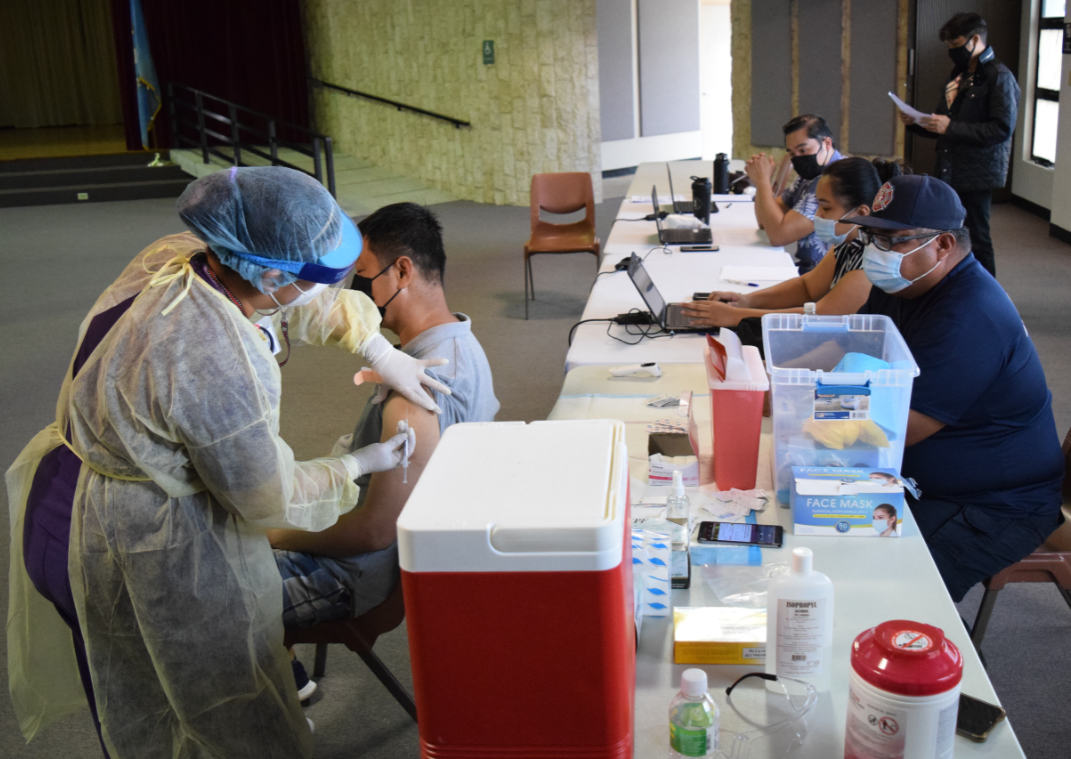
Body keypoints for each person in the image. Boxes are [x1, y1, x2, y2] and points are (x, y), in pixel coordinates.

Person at [6, 168, 451, 758]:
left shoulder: (193, 255)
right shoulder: (212, 357)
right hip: (125, 541)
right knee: (207, 707)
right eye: (317, 278)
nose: (329, 292)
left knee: (163, 692)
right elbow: (262, 493)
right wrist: (356, 465)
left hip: (68, 487)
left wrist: (374, 346)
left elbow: (302, 304)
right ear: (270, 275)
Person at [267, 203, 499, 689]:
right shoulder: (464, 343)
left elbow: (374, 532)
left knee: (205, 594)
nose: (352, 296)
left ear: (403, 271)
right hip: (381, 556)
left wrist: (277, 536)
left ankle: (270, 688)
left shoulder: (414, 395)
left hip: (357, 574)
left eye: (363, 277)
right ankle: (283, 670)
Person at [844, 174, 1063, 602]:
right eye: (872, 236)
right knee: (834, 550)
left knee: (888, 592)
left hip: (995, 505)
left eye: (893, 240)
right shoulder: (902, 285)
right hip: (920, 479)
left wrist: (811, 410)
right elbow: (856, 348)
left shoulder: (970, 316)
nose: (876, 251)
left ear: (942, 245)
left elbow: (896, 429)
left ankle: (951, 665)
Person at [682, 157, 902, 347]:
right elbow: (807, 287)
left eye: (826, 207)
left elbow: (818, 317)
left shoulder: (870, 267)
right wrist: (747, 301)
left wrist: (736, 316)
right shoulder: (849, 243)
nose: (817, 214)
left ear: (861, 212)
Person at [901, 12, 1019, 279]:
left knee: (977, 235)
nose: (951, 51)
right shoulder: (958, 75)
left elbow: (1001, 128)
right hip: (949, 165)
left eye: (955, 45)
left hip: (978, 170)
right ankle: (953, 283)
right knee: (949, 231)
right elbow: (945, 124)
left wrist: (949, 127)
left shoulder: (999, 77)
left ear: (975, 39)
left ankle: (988, 295)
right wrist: (916, 122)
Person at [745, 114, 843, 274]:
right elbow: (765, 222)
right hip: (809, 272)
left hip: (824, 278)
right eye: (792, 153)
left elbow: (779, 236)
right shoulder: (810, 174)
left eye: (803, 150)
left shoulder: (833, 179)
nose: (798, 158)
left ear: (826, 143)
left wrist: (762, 181)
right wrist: (762, 182)